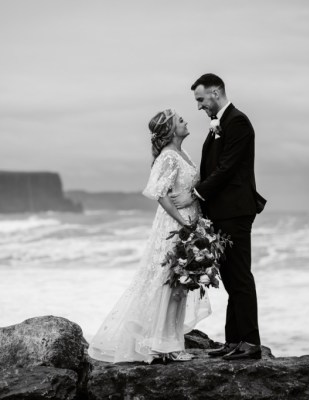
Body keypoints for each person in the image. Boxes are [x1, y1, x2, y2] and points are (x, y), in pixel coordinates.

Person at [87, 109, 211, 364]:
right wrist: (183, 222)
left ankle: (169, 341)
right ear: (170, 130)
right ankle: (164, 344)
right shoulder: (168, 157)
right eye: (180, 120)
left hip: (189, 222)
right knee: (171, 280)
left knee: (182, 281)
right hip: (176, 225)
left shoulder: (183, 153)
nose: (186, 121)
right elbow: (160, 193)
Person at [172, 73, 266, 360]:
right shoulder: (219, 125)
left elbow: (226, 169)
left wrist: (195, 195)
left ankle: (250, 343)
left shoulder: (237, 122)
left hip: (236, 212)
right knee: (230, 278)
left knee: (240, 277)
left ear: (215, 92)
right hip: (222, 214)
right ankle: (233, 341)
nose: (199, 106)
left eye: (200, 99)